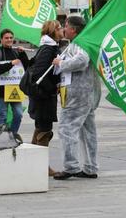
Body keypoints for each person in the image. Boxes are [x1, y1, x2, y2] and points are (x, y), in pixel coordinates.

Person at [52, 16, 101, 180]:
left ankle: (71, 166)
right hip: (86, 94)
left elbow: (81, 61)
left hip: (77, 94)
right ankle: (90, 167)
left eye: (65, 26)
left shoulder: (79, 43)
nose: (64, 30)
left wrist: (60, 63)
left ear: (72, 28)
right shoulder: (83, 42)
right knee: (88, 132)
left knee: (67, 129)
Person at [28, 20, 64, 176]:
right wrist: (52, 89)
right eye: (59, 27)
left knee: (40, 128)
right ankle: (42, 166)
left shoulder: (49, 47)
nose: (62, 29)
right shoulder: (48, 49)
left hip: (42, 96)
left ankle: (30, 162)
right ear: (53, 31)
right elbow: (38, 73)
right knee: (45, 130)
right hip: (43, 97)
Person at [0, 29, 29, 136]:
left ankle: (12, 135)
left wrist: (23, 53)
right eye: (6, 38)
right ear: (1, 39)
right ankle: (0, 137)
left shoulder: (16, 52)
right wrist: (11, 63)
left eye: (11, 38)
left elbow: (27, 66)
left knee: (18, 114)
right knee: (3, 115)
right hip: (1, 89)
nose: (9, 40)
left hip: (15, 89)